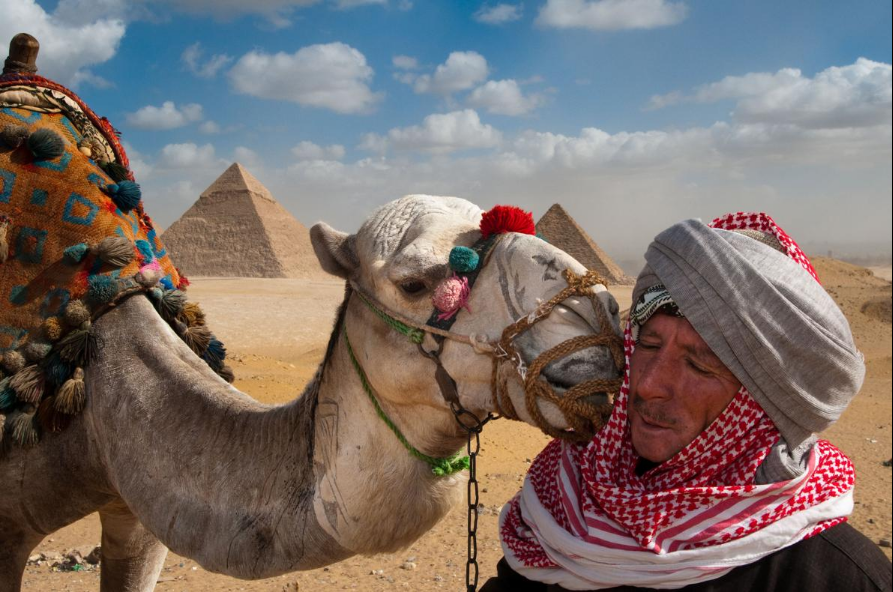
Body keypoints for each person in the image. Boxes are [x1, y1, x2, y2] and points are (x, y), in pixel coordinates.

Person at [482, 212, 892, 591]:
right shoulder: (556, 514)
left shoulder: (835, 577)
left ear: (760, 400)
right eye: (649, 343)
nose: (648, 385)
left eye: (699, 365)